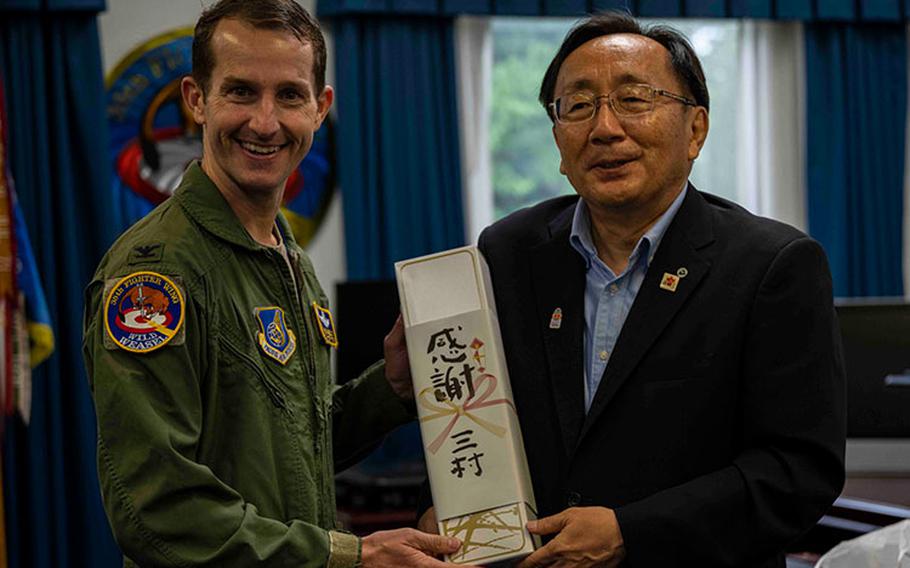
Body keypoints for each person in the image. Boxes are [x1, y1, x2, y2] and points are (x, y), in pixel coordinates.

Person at [419, 12, 845, 567]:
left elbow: (797, 472)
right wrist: (457, 508)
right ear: (558, 137)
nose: (604, 128)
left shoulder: (773, 266)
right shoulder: (509, 250)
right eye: (578, 105)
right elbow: (484, 418)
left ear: (695, 130)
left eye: (634, 99)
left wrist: (631, 532)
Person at [82, 1, 463, 566]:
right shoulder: (155, 274)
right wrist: (348, 556)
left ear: (319, 108)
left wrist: (394, 388)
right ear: (196, 101)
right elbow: (158, 509)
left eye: (289, 95)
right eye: (240, 92)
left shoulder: (286, 256)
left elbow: (290, 445)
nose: (265, 122)